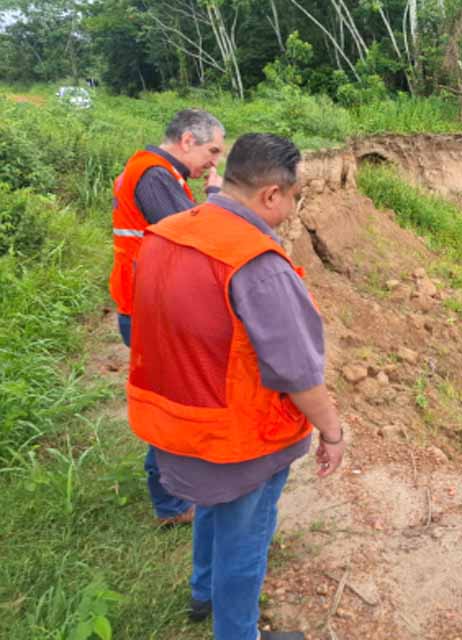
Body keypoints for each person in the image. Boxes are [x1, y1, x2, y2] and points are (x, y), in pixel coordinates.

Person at [127, 133, 344, 640]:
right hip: (238, 439)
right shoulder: (258, 266)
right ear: (271, 194)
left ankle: (202, 593)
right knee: (244, 544)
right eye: (294, 197)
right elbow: (299, 375)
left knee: (213, 507)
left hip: (177, 420)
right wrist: (332, 433)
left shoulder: (168, 232)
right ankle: (238, 632)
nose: (293, 208)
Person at [110, 108, 225, 526]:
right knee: (170, 405)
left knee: (174, 400)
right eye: (212, 151)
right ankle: (172, 505)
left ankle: (177, 493)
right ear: (188, 140)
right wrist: (216, 198)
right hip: (149, 309)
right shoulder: (154, 176)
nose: (213, 162)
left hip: (149, 303)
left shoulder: (160, 174)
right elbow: (192, 239)